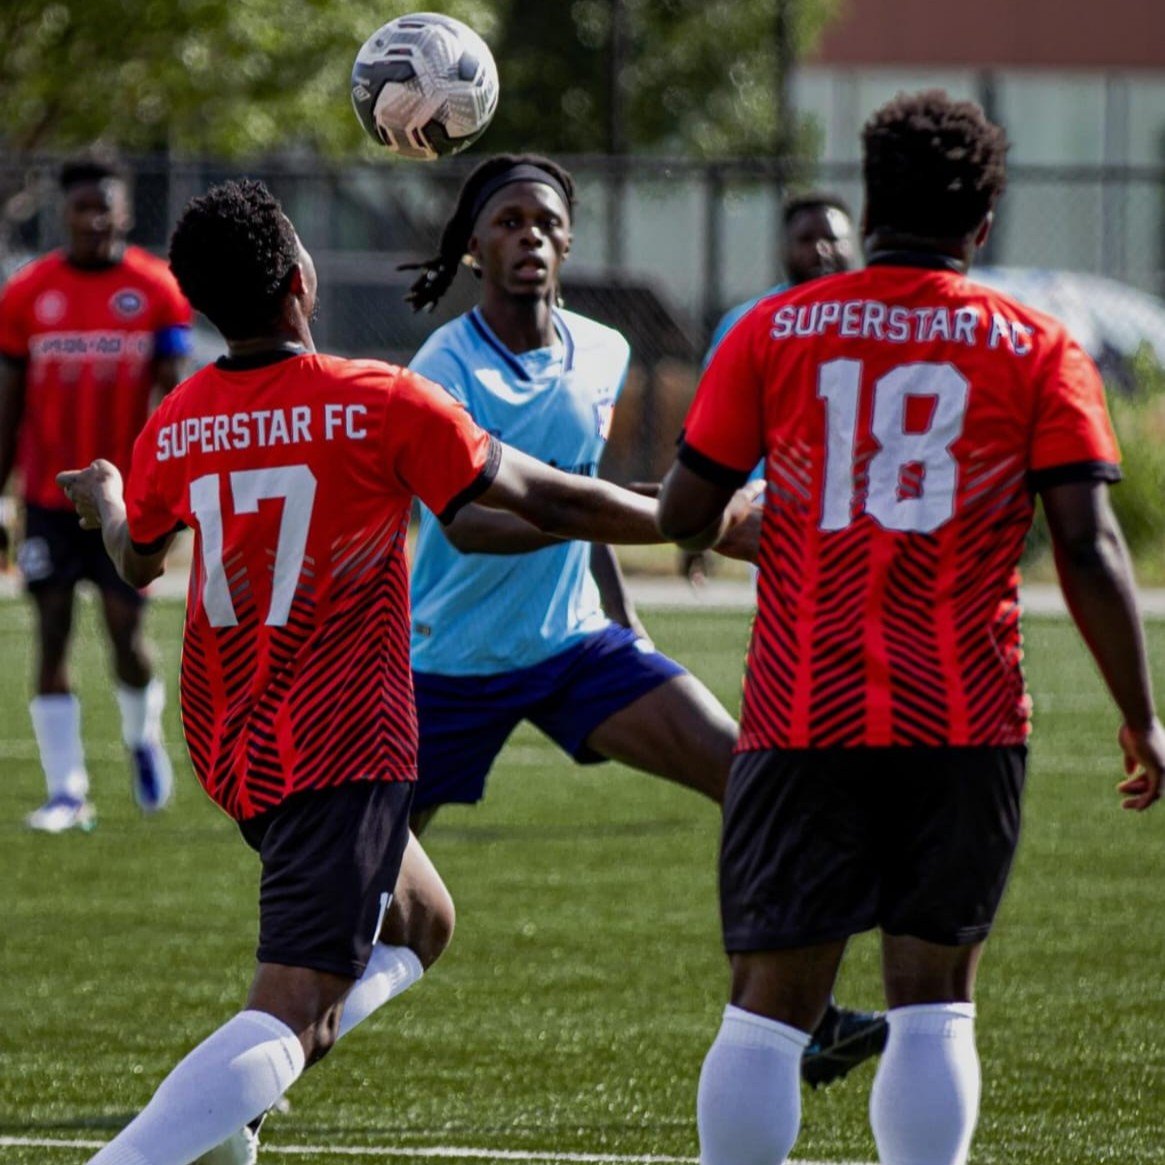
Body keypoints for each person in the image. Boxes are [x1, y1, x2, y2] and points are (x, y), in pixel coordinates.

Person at [58, 177, 755, 1165]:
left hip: (234, 743)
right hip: (341, 745)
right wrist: (706, 518)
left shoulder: (177, 422)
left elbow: (135, 559)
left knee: (423, 921)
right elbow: (541, 500)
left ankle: (226, 1116)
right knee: (295, 1007)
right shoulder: (375, 397)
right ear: (302, 277)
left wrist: (112, 496)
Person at [657, 89, 1165, 1165]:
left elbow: (682, 516)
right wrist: (1140, 715)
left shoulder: (773, 329)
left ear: (867, 200)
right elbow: (1086, 544)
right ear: (982, 226)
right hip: (965, 717)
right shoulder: (1036, 345)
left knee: (767, 1003)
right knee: (933, 997)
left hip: (802, 714)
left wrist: (759, 515)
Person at [401, 153, 886, 1088]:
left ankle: (799, 1020)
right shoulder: (440, 369)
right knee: (359, 874)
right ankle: (268, 1061)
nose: (528, 237)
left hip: (578, 646)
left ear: (569, 239)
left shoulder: (602, 351)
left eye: (544, 221)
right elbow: (466, 526)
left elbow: (584, 508)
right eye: (506, 223)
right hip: (448, 663)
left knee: (748, 775)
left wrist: (626, 628)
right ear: (471, 249)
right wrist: (668, 515)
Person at [0, 151, 192, 832]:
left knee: (125, 637)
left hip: (126, 500)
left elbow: (176, 397)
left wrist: (179, 484)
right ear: (65, 213)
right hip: (51, 502)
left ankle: (143, 738)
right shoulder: (27, 293)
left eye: (102, 206)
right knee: (49, 635)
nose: (91, 218)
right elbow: (9, 401)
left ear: (123, 210)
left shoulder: (158, 288)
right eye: (80, 207)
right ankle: (67, 791)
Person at [682, 192, 857, 585]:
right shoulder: (749, 323)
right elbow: (711, 430)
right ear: (784, 247)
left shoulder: (878, 320)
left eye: (834, 238)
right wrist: (698, 529)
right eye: (807, 239)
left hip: (869, 508)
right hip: (778, 511)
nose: (822, 249)